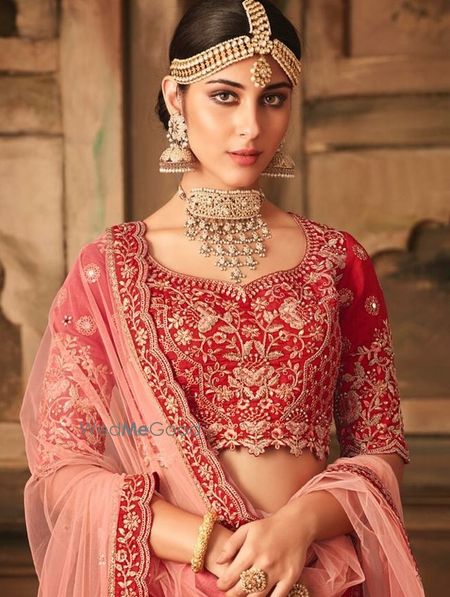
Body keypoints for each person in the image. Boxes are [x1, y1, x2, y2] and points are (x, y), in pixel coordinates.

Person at [20, 1, 425, 595]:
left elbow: (380, 450)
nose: (252, 127)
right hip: (169, 573)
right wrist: (211, 544)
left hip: (313, 574)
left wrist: (294, 528)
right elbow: (63, 469)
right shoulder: (109, 269)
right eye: (225, 95)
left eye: (274, 98)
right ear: (176, 96)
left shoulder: (338, 261)